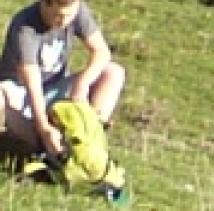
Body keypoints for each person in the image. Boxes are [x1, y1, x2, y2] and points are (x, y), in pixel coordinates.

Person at [0, 0, 124, 155]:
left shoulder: (77, 10)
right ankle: (37, 144)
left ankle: (92, 134)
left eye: (69, 16)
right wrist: (43, 127)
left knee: (113, 72)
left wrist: (82, 84)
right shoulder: (24, 26)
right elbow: (32, 82)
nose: (64, 21)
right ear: (45, 4)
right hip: (21, 96)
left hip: (55, 89)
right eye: (58, 16)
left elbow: (101, 51)